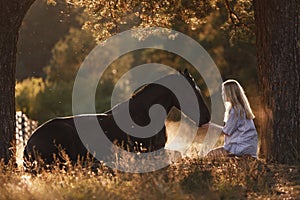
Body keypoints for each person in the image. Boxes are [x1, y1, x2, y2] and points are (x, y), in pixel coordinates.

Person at [206, 79, 258, 158]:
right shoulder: (242, 109)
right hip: (248, 148)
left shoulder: (235, 111)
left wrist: (210, 126)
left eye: (224, 92)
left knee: (210, 155)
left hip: (239, 149)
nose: (223, 94)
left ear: (230, 93)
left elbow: (226, 131)